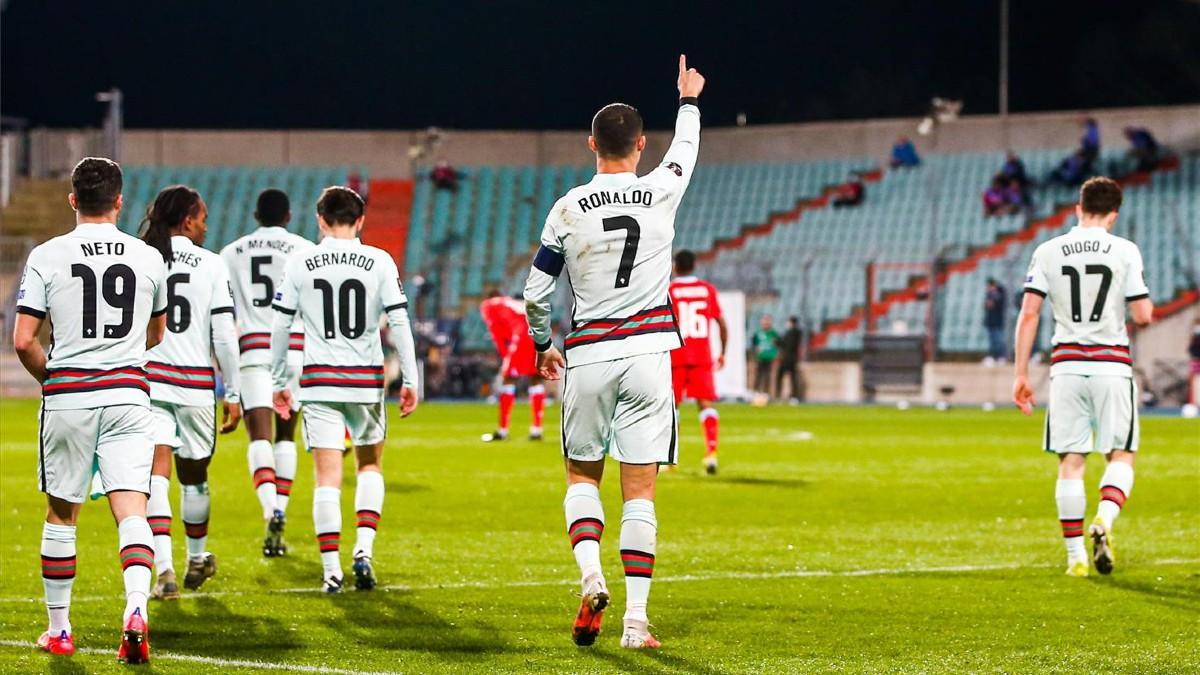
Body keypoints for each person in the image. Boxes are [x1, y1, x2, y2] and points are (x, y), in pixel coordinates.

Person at [523, 55, 704, 650]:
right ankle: (635, 622)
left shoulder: (568, 207)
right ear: (641, 145)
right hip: (650, 353)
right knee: (641, 491)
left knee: (581, 475)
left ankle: (591, 576)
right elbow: (685, 152)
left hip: (590, 356)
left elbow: (536, 290)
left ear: (590, 144)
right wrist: (689, 100)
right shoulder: (660, 190)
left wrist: (544, 344)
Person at [14, 157, 168, 663]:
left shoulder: (46, 255)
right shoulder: (148, 258)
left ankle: (59, 630)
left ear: (73, 199)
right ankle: (137, 607)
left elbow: (23, 341)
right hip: (128, 394)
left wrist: (53, 380)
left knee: (63, 513)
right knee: (133, 511)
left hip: (70, 398)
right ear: (120, 200)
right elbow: (156, 334)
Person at [270, 186, 419, 594]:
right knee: (369, 466)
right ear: (361, 220)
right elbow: (400, 322)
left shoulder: (301, 261)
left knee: (326, 479)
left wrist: (279, 380)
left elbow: (281, 325)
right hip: (365, 381)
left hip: (319, 381)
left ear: (320, 219)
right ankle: (363, 553)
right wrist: (411, 377)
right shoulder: (378, 260)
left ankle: (331, 570)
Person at [1012, 176, 1153, 578]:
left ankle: (1075, 558)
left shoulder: (1048, 250)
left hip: (1066, 368)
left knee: (1071, 462)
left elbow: (1029, 314)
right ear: (1113, 215)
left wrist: (1021, 373)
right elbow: (1142, 315)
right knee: (1121, 454)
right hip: (1111, 366)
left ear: (1078, 209)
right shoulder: (1125, 250)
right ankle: (1105, 518)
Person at [139, 186, 242, 600]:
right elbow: (224, 335)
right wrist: (232, 391)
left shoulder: (141, 256)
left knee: (154, 475)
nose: (205, 224)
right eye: (201, 217)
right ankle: (195, 558)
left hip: (148, 381)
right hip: (195, 386)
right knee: (194, 477)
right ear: (187, 220)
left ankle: (163, 569)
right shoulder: (212, 264)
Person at [220, 189, 313, 557]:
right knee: (286, 435)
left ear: (256, 215)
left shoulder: (230, 253)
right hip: (295, 350)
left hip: (253, 350)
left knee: (259, 436)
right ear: (288, 216)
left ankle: (269, 508)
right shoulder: (306, 250)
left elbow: (223, 312)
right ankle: (282, 512)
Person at [668, 250, 728, 474]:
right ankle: (711, 453)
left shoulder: (669, 290)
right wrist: (723, 352)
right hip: (702, 355)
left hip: (676, 355)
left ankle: (670, 459)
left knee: (671, 408)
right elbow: (721, 323)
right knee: (705, 405)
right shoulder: (707, 289)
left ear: (676, 266)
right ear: (693, 266)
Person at [479, 290, 545, 441]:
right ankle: (536, 430)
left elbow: (495, 331)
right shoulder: (512, 303)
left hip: (521, 336)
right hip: (538, 332)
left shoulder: (489, 305)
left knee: (508, 379)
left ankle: (502, 431)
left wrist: (505, 357)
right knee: (536, 379)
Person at [776, 317, 805, 403]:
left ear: (791, 323)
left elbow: (786, 344)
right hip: (791, 358)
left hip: (787, 359)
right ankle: (792, 396)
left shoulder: (793, 333)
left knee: (785, 377)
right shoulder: (796, 333)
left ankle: (788, 395)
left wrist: (778, 342)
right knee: (792, 378)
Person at [751, 315, 779, 396]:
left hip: (770, 357)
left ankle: (766, 393)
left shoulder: (773, 333)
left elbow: (778, 344)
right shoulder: (758, 333)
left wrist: (776, 354)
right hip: (760, 357)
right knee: (758, 375)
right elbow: (754, 344)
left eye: (767, 321)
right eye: (764, 321)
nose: (766, 323)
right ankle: (755, 392)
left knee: (768, 375)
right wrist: (755, 352)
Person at [984, 278, 1007, 363]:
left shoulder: (1000, 292)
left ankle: (1001, 356)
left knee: (999, 340)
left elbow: (992, 304)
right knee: (992, 341)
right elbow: (986, 305)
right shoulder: (989, 294)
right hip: (990, 321)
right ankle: (993, 356)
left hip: (998, 321)